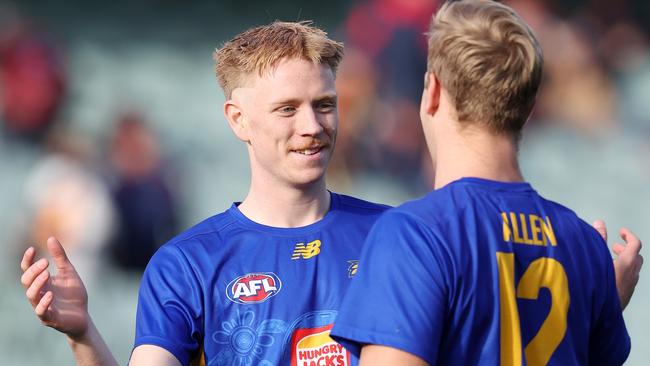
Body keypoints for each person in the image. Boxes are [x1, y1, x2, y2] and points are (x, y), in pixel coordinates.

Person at [20, 18, 641, 366]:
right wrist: (83, 335)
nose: (312, 126)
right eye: (287, 108)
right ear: (237, 119)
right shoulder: (186, 263)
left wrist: (593, 306)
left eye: (324, 104)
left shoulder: (401, 234)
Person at [330, 1, 643, 365]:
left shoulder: (415, 234)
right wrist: (601, 304)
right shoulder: (585, 244)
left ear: (432, 90)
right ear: (527, 109)